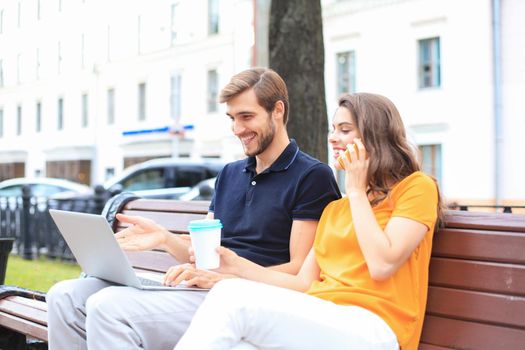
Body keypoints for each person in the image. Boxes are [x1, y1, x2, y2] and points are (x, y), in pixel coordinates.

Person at [46, 68, 341, 350]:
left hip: (246, 300)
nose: (237, 129)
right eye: (232, 118)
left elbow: (299, 270)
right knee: (63, 296)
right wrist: (163, 238)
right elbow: (204, 254)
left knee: (108, 308)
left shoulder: (312, 176)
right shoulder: (229, 174)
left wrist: (229, 279)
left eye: (246, 117)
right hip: (204, 289)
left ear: (278, 110)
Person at [170, 92, 443, 350]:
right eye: (333, 129)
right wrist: (236, 267)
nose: (333, 138)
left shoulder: (416, 188)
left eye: (345, 130)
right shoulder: (337, 209)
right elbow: (304, 283)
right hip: (322, 318)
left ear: (375, 137)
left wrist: (357, 189)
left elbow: (383, 264)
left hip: (376, 328)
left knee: (231, 298)